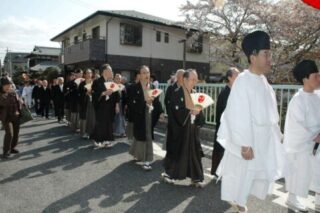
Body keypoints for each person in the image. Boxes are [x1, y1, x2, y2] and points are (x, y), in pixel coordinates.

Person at [216, 31, 286, 213]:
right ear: (253, 56)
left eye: (270, 54)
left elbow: (271, 114)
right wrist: (244, 143)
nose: (270, 58)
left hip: (262, 139)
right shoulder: (243, 81)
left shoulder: (264, 82)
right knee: (240, 175)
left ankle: (239, 201)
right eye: (266, 54)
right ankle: (237, 201)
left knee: (251, 178)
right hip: (248, 141)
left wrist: (278, 135)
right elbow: (237, 115)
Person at [283, 60, 320, 212]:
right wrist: (314, 136)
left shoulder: (318, 95)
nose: (319, 79)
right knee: (299, 173)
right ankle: (292, 198)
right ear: (305, 78)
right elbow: (295, 128)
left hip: (317, 141)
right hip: (304, 145)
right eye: (316, 76)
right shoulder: (297, 100)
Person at [162, 69, 206, 187]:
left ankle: (195, 177)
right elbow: (175, 111)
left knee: (194, 152)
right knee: (178, 150)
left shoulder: (196, 94)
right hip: (180, 128)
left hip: (192, 130)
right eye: (192, 79)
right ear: (185, 80)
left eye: (196, 80)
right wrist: (190, 112)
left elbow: (201, 115)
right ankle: (170, 174)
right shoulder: (176, 93)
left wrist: (198, 113)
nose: (194, 82)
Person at [129, 65, 164, 170]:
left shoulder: (153, 87)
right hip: (140, 114)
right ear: (139, 75)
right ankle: (147, 160)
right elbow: (131, 103)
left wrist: (161, 112)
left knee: (146, 134)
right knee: (144, 135)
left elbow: (157, 102)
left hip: (150, 114)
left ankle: (137, 153)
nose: (146, 75)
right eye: (144, 73)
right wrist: (144, 103)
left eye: (148, 73)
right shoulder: (134, 88)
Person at [210, 67, 239, 177]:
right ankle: (218, 172)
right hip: (225, 126)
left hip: (232, 127)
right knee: (222, 149)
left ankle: (223, 172)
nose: (239, 77)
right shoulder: (225, 93)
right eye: (236, 75)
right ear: (229, 77)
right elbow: (224, 112)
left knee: (228, 150)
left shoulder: (234, 91)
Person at [91, 64, 120, 148]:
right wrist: (103, 93)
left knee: (109, 123)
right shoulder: (97, 82)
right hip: (101, 105)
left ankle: (106, 140)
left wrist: (117, 105)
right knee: (101, 123)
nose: (112, 72)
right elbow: (94, 94)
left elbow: (117, 95)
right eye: (110, 70)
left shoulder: (112, 82)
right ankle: (97, 139)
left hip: (110, 105)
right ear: (105, 71)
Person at [163, 69, 185, 150]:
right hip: (173, 115)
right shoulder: (171, 88)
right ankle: (169, 151)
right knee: (171, 133)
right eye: (182, 76)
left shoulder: (186, 88)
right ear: (178, 77)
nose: (184, 78)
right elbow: (166, 101)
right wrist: (170, 113)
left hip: (183, 117)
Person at [0, 78, 21, 159]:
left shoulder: (13, 92)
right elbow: (3, 103)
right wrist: (7, 94)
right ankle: (6, 151)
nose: (8, 87)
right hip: (6, 117)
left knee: (16, 133)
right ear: (2, 85)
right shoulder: (1, 94)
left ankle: (12, 148)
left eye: (9, 85)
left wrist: (19, 106)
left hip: (15, 115)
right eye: (6, 85)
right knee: (9, 133)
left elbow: (17, 101)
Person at [125, 72, 140, 143]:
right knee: (131, 122)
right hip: (132, 107)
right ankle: (130, 137)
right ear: (136, 76)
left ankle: (136, 137)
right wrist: (127, 105)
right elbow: (127, 97)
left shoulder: (144, 85)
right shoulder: (131, 86)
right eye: (140, 74)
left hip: (139, 107)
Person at [78, 69, 93, 138]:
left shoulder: (94, 82)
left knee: (91, 118)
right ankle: (83, 132)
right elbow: (79, 94)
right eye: (87, 73)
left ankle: (91, 133)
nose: (89, 74)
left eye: (90, 73)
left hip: (92, 103)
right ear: (85, 74)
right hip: (84, 102)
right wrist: (85, 93)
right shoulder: (82, 83)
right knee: (84, 118)